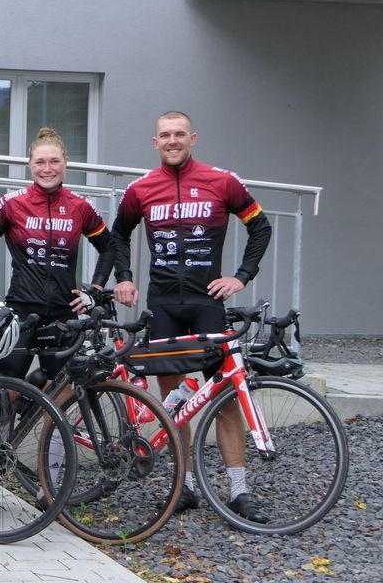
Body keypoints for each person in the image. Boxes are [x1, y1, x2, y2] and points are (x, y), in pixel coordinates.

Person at [107, 110, 272, 521]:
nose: (172, 140)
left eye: (179, 134)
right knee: (173, 401)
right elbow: (118, 234)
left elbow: (261, 227)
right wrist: (124, 277)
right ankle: (186, 486)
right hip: (164, 306)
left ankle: (238, 490)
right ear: (155, 142)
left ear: (193, 138)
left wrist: (241, 276)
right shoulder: (141, 188)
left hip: (207, 303)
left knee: (226, 395)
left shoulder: (222, 181)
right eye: (165, 135)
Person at [0, 126, 114, 511]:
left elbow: (110, 246)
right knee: (6, 391)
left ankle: (51, 482)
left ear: (65, 164)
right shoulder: (11, 203)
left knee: (60, 398)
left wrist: (94, 290)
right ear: (30, 165)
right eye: (40, 162)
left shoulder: (80, 206)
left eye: (54, 161)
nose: (47, 168)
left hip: (64, 316)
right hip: (20, 312)